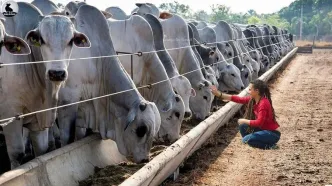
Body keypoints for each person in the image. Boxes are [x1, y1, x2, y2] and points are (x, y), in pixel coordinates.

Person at [210, 79, 281, 149]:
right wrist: (218, 94)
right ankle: (252, 140)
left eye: (250, 89)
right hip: (263, 130)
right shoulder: (254, 100)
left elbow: (259, 122)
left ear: (257, 91)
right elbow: (237, 99)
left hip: (272, 134)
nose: (249, 91)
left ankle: (270, 146)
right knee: (243, 126)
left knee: (245, 138)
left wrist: (244, 120)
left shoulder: (263, 104)